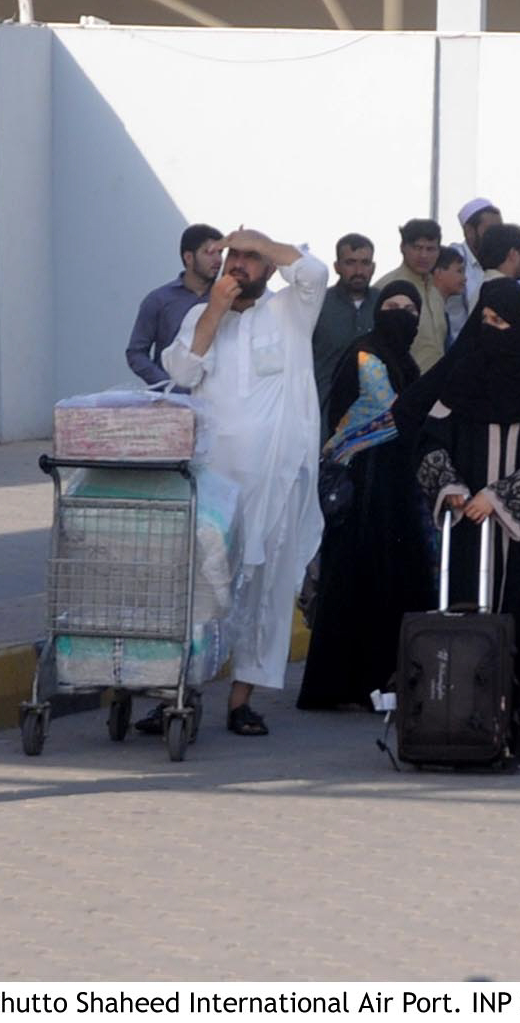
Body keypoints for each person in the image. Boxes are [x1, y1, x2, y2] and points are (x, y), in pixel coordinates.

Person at [393, 278, 520, 767]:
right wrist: (450, 487)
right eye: (486, 321)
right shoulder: (458, 382)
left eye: (503, 322)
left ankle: (518, 732)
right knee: (463, 622)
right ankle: (455, 722)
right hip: (468, 528)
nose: (492, 331)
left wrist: (500, 498)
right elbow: (428, 439)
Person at [162, 229, 326, 737]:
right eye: (233, 256)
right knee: (197, 589)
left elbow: (316, 272)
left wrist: (262, 241)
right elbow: (182, 371)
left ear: (271, 268)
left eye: (251, 259)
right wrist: (213, 310)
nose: (239, 265)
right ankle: (176, 693)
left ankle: (240, 701)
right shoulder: (199, 313)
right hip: (214, 484)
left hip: (275, 483)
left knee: (265, 592)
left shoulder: (289, 312)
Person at [298, 281, 434, 710]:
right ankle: (351, 685)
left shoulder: (403, 360)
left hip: (396, 489)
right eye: (392, 306)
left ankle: (385, 680)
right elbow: (388, 412)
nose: (400, 315)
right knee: (360, 582)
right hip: (365, 489)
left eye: (409, 309)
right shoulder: (366, 353)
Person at [126, 223, 223, 391]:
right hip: (172, 403)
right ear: (188, 257)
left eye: (220, 252)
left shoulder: (227, 299)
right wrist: (167, 384)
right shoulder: (159, 300)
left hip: (218, 402)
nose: (218, 260)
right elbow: (136, 353)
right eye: (209, 252)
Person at [311, 232, 377, 434]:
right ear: (337, 267)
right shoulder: (317, 304)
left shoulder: (384, 304)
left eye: (365, 263)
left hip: (374, 416)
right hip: (325, 414)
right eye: (350, 262)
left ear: (373, 267)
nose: (359, 270)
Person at [376, 219, 449, 371]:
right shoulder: (388, 288)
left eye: (430, 249)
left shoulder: (435, 293)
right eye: (417, 247)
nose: (424, 255)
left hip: (436, 388)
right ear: (402, 247)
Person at [444, 198, 500, 343]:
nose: (495, 237)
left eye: (498, 231)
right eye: (490, 231)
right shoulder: (454, 258)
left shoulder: (498, 262)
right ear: (469, 231)